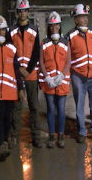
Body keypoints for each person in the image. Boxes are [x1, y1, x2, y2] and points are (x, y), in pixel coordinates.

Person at [0, 15, 25, 162]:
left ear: (6, 31)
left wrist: (20, 89)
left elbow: (16, 70)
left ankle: (5, 142)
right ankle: (2, 145)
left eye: (2, 30)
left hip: (10, 91)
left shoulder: (12, 48)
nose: (0, 33)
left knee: (7, 118)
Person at [65, 4, 92, 143]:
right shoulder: (70, 36)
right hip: (78, 76)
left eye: (86, 16)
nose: (86, 19)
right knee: (79, 105)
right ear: (76, 19)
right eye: (82, 17)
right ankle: (81, 131)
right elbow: (67, 57)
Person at [9, 0, 43, 148]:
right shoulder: (11, 31)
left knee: (34, 106)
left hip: (31, 75)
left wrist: (28, 70)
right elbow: (10, 53)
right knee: (16, 107)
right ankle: (14, 137)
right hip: (16, 75)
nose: (22, 13)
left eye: (24, 10)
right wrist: (19, 69)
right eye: (20, 11)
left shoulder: (34, 30)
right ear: (17, 12)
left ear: (28, 12)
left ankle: (36, 136)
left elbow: (36, 52)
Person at [38, 11, 71, 148]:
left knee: (61, 110)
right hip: (49, 83)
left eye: (56, 25)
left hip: (61, 82)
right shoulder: (44, 43)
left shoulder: (65, 42)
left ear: (59, 26)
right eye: (52, 25)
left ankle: (61, 136)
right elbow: (41, 61)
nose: (54, 27)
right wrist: (47, 77)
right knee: (51, 109)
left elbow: (68, 61)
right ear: (49, 27)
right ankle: (52, 136)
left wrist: (62, 75)